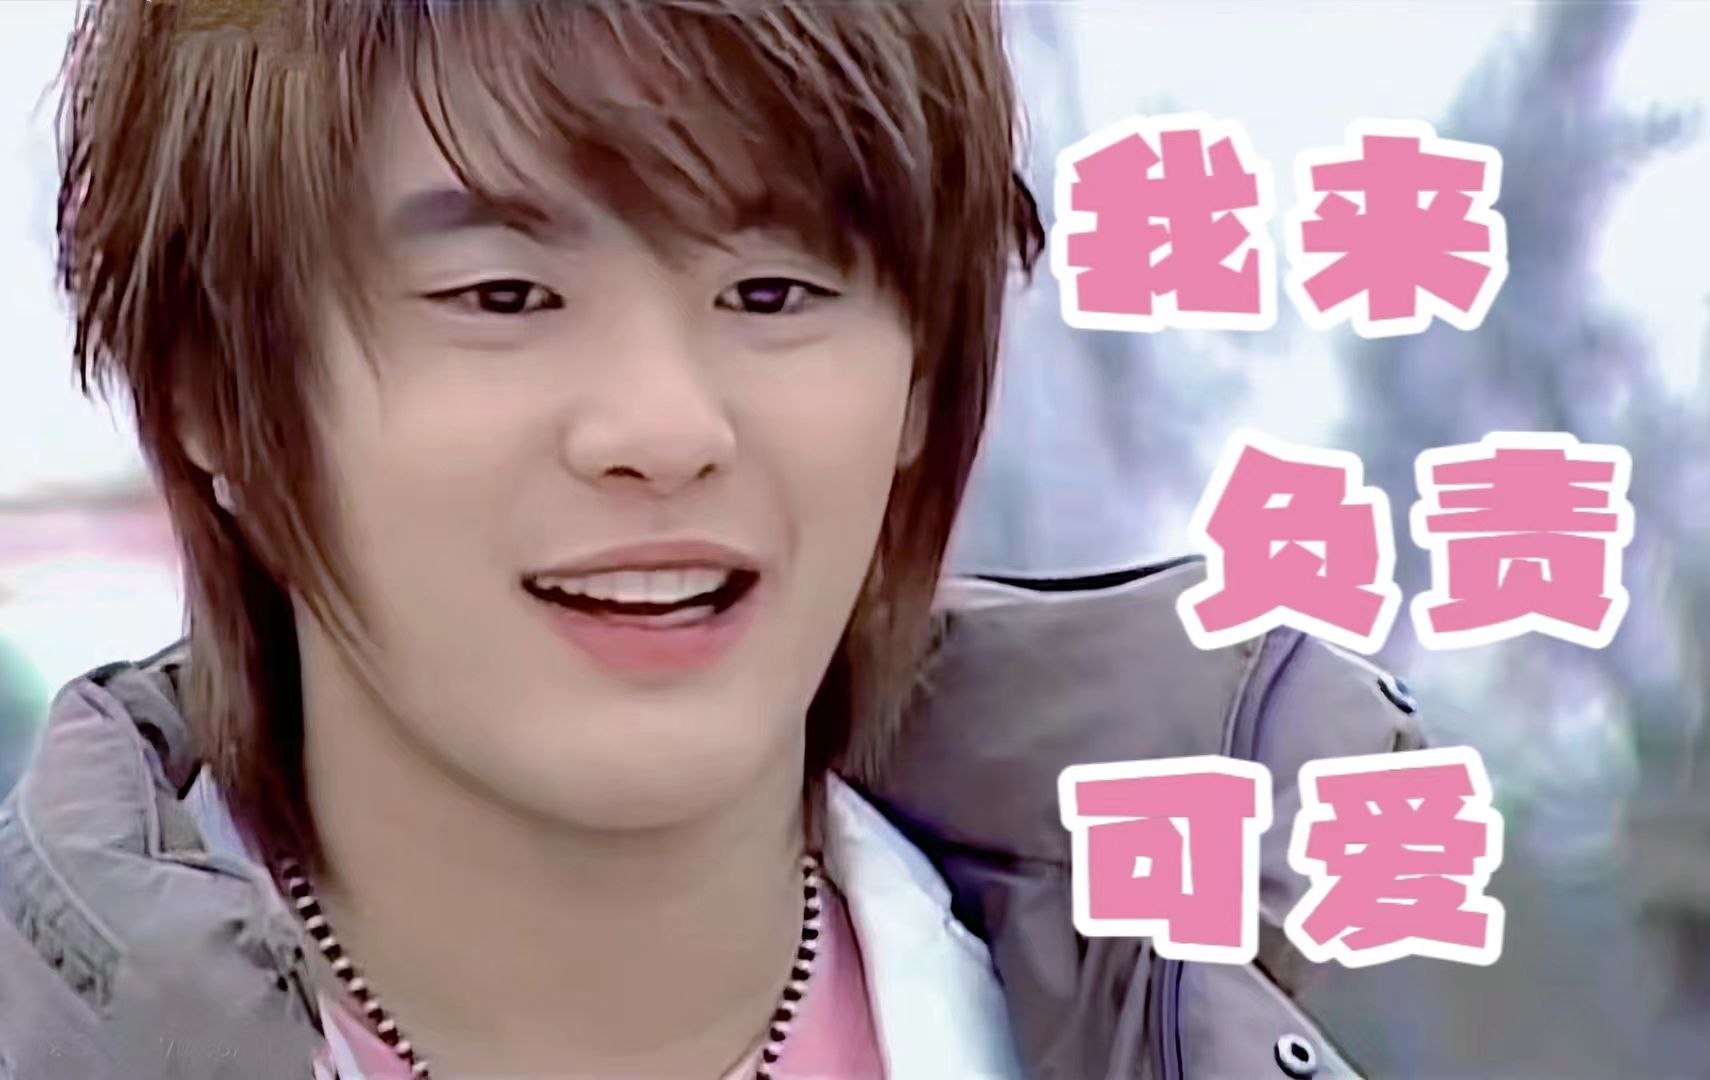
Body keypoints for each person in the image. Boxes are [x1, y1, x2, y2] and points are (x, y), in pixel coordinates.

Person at [0, 2, 1426, 1077]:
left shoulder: (1181, 1018)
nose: (665, 429)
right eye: (503, 296)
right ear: (212, 391)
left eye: (773, 293)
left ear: (922, 377)